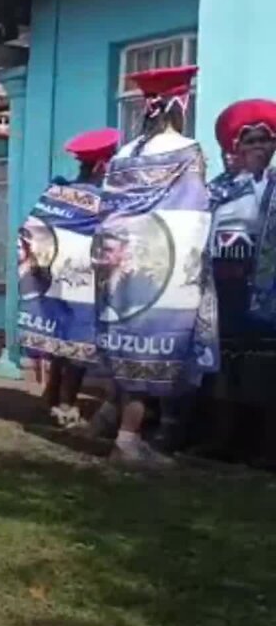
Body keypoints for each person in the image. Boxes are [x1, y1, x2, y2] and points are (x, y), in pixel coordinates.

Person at [94, 65, 216, 467]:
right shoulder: (187, 150)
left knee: (126, 342)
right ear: (181, 105)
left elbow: (109, 210)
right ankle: (127, 442)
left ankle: (115, 423)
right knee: (153, 351)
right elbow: (194, 210)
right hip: (159, 266)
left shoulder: (122, 156)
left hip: (118, 267)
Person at [24, 128, 119, 428]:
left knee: (58, 339)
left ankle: (50, 395)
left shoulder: (56, 193)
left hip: (51, 277)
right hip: (84, 281)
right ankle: (66, 405)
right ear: (103, 166)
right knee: (79, 342)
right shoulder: (103, 200)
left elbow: (32, 229)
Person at [199, 99, 276, 465]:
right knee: (226, 364)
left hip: (270, 291)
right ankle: (223, 440)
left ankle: (266, 447)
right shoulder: (220, 191)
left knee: (266, 366)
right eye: (251, 141)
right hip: (226, 288)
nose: (259, 147)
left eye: (266, 140)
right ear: (237, 148)